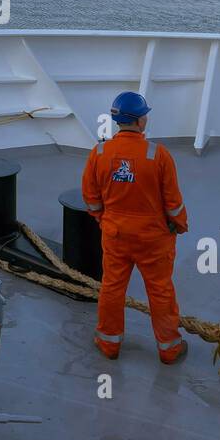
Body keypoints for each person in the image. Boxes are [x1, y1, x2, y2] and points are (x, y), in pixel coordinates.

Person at [81, 91, 189, 364]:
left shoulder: (100, 152)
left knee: (112, 288)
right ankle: (169, 349)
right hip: (153, 238)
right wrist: (179, 225)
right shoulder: (158, 155)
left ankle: (108, 343)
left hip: (115, 235)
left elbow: (91, 198)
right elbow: (173, 203)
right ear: (140, 121)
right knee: (160, 290)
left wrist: (104, 220)